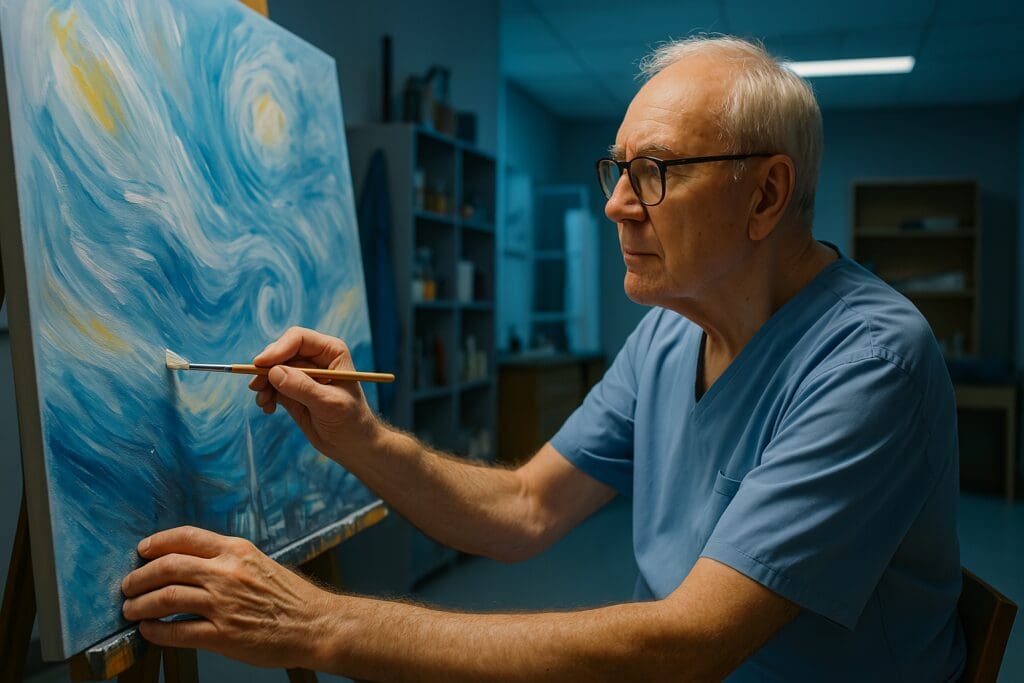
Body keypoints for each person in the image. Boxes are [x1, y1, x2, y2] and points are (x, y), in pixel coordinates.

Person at [121, 36, 965, 681]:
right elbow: (525, 507)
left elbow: (689, 644)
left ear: (768, 195)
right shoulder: (672, 330)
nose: (615, 204)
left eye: (655, 172)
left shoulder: (870, 361)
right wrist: (359, 437)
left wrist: (313, 624)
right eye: (618, 169)